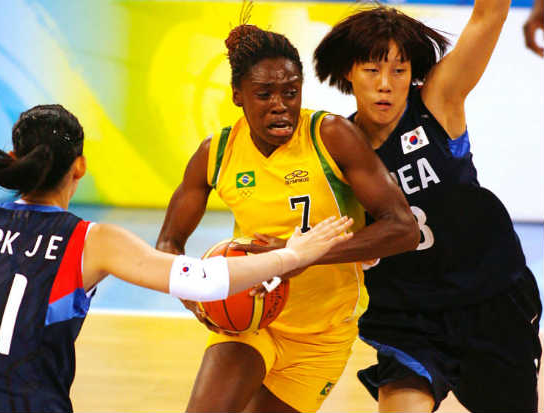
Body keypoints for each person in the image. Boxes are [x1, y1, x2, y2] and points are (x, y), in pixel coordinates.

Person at [0, 104, 354, 412]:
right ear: (80, 166)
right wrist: (291, 255)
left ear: (15, 160)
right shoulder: (90, 240)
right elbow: (202, 280)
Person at [156, 23, 419, 413]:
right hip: (250, 318)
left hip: (322, 335)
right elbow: (168, 244)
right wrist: (193, 296)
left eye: (290, 92)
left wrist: (302, 254)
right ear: (238, 96)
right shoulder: (217, 153)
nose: (280, 104)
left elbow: (404, 229)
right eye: (264, 94)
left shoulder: (330, 135)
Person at [313, 3, 542, 412]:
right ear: (348, 72)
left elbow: (489, 15)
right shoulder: (336, 147)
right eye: (371, 70)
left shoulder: (438, 101)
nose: (385, 84)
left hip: (489, 297)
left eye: (398, 71)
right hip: (408, 315)